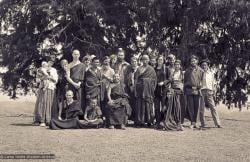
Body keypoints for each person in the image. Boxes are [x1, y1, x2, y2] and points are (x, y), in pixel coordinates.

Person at [134, 54, 157, 127]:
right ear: (141, 60)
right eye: (143, 59)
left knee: (148, 105)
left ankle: (149, 121)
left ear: (149, 60)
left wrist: (152, 88)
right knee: (140, 105)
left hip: (148, 90)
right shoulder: (139, 69)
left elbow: (154, 80)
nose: (145, 61)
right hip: (140, 89)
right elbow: (135, 79)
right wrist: (135, 89)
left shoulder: (151, 69)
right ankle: (140, 121)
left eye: (146, 59)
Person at [162, 59, 184, 131]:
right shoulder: (173, 73)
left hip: (179, 92)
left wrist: (181, 88)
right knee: (171, 107)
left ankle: (179, 123)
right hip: (173, 91)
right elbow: (169, 80)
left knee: (178, 107)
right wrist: (163, 83)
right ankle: (171, 123)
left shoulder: (182, 73)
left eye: (178, 65)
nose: (177, 66)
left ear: (180, 66)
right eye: (175, 65)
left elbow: (184, 83)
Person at [184, 55, 205, 129]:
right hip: (189, 91)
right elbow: (185, 81)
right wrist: (187, 86)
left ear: (197, 61)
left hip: (197, 91)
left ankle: (196, 122)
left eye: (194, 60)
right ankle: (192, 122)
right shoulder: (187, 71)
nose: (193, 62)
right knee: (191, 107)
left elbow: (202, 81)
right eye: (192, 61)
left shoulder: (201, 70)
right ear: (190, 62)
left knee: (197, 107)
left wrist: (200, 85)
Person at [200, 59, 222, 128]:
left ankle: (217, 123)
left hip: (209, 92)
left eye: (205, 65)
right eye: (202, 65)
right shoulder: (200, 73)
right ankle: (203, 124)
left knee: (213, 108)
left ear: (208, 65)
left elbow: (213, 83)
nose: (204, 66)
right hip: (202, 91)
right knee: (201, 109)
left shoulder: (211, 73)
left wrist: (213, 91)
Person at [40, 57, 58, 127]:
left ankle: (49, 120)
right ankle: (42, 120)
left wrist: (50, 77)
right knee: (43, 103)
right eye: (50, 61)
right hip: (43, 87)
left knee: (50, 103)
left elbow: (56, 80)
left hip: (51, 87)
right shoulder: (42, 69)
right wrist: (44, 77)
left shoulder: (54, 70)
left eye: (52, 62)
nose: (51, 63)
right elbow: (39, 79)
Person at [124, 56, 138, 121]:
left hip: (137, 89)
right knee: (131, 103)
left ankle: (136, 119)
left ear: (137, 62)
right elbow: (125, 79)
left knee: (137, 104)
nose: (134, 63)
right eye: (132, 62)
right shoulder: (128, 70)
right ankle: (131, 118)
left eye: (135, 61)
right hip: (130, 88)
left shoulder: (139, 69)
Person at [154, 55, 166, 128]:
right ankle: (157, 122)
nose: (160, 61)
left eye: (161, 59)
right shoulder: (154, 69)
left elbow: (170, 78)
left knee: (164, 107)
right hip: (156, 90)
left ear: (163, 60)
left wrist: (163, 82)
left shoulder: (166, 68)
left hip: (164, 90)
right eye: (159, 59)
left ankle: (164, 121)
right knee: (156, 107)